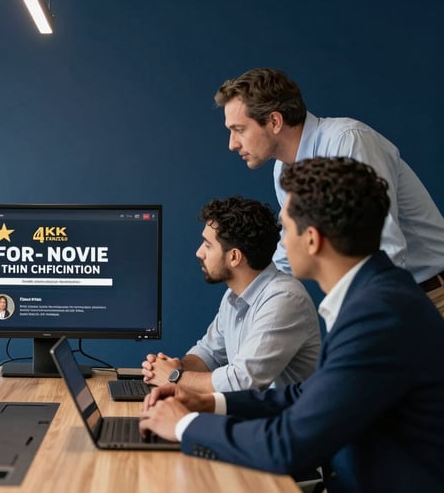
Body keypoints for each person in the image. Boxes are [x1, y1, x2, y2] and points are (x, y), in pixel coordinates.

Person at [139, 158, 444, 492]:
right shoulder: (376, 296)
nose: (280, 243)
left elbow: (286, 445)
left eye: (286, 228)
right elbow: (306, 394)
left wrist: (185, 425)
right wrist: (208, 403)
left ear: (312, 240)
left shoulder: (378, 315)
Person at [214, 67, 444, 315]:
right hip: (384, 298)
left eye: (239, 129)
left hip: (430, 297)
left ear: (274, 121)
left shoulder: (348, 142)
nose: (232, 143)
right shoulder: (282, 170)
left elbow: (386, 248)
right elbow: (288, 253)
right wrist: (245, 291)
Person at [141, 196, 321, 392]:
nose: (199, 253)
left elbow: (243, 380)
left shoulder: (284, 299)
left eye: (207, 245)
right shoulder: (233, 296)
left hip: (279, 420)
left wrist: (173, 378)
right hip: (249, 416)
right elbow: (209, 353)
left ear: (234, 257)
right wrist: (172, 367)